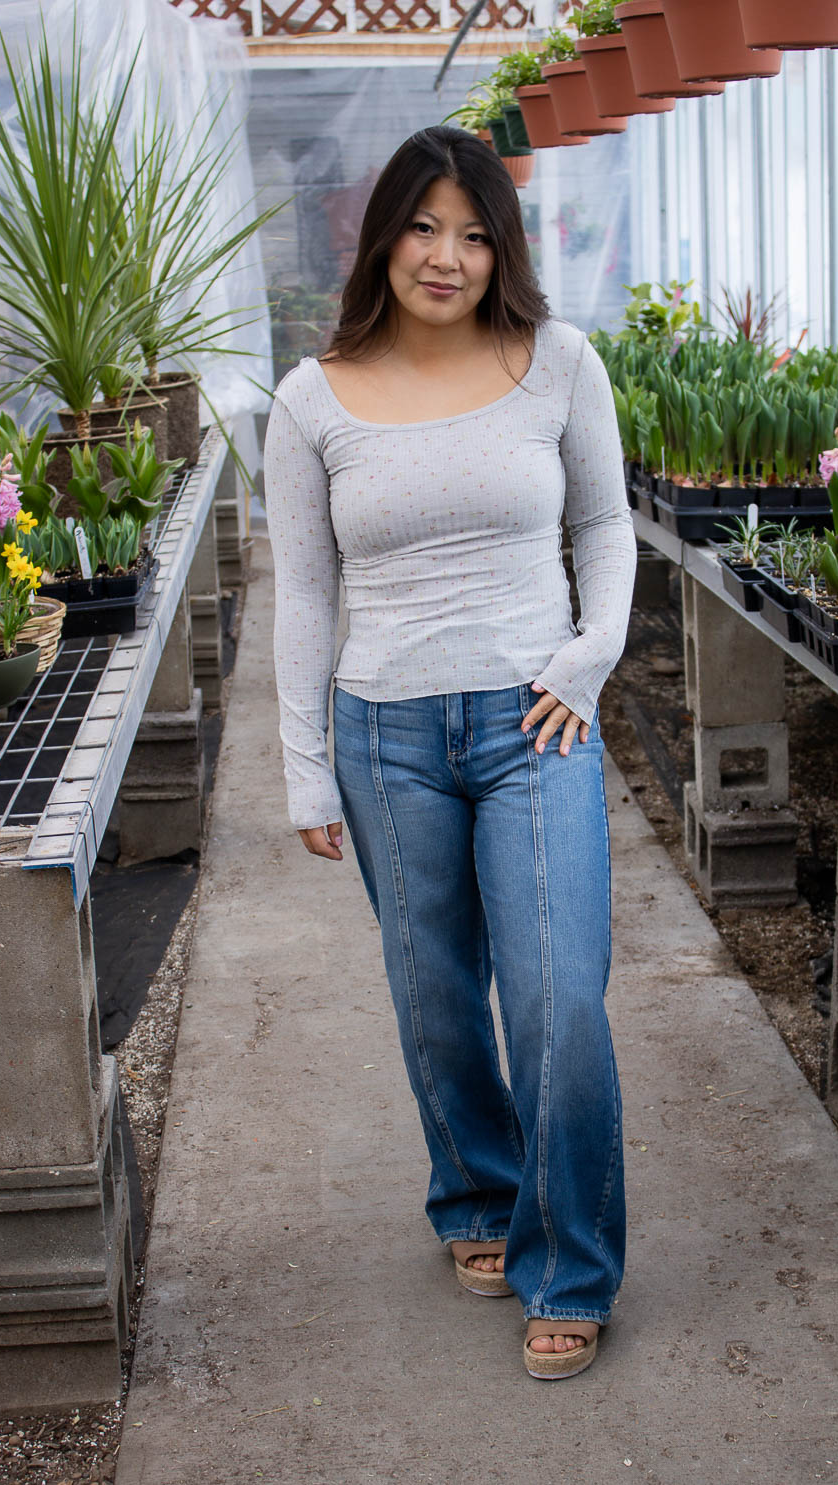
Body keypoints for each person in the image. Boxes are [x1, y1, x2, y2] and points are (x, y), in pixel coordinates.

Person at [263, 124, 636, 1379]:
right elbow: (304, 594)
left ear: (502, 249)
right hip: (386, 733)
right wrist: (304, 764)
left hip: (536, 721)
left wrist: (584, 659)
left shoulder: (558, 365)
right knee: (434, 996)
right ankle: (478, 1197)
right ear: (382, 236)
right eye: (425, 226)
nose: (448, 255)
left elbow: (606, 526)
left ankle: (569, 1261)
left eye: (475, 233)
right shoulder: (312, 398)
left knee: (556, 998)